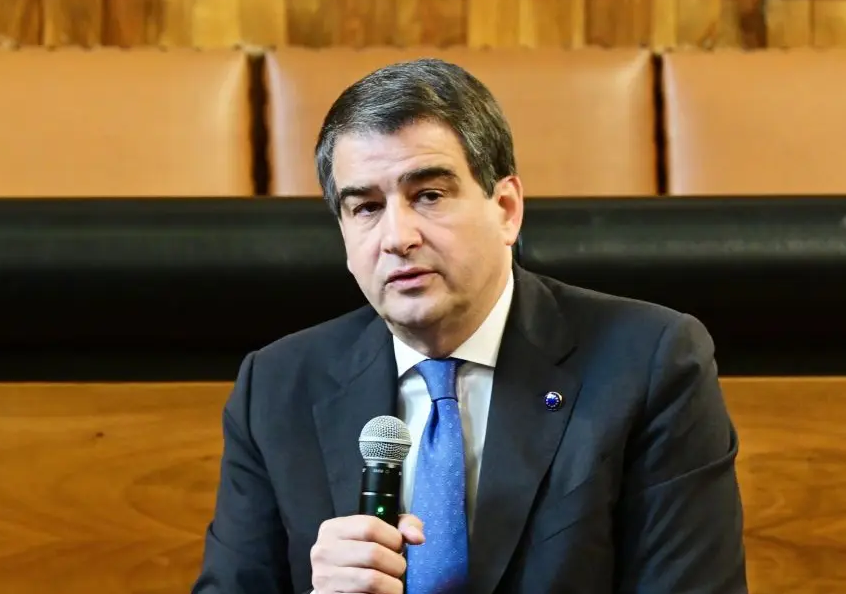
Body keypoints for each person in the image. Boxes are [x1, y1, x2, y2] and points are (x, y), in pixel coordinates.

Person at [191, 58, 747, 594]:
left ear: (506, 208)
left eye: (428, 196)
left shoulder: (649, 363)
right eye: (366, 208)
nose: (397, 237)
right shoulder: (277, 387)